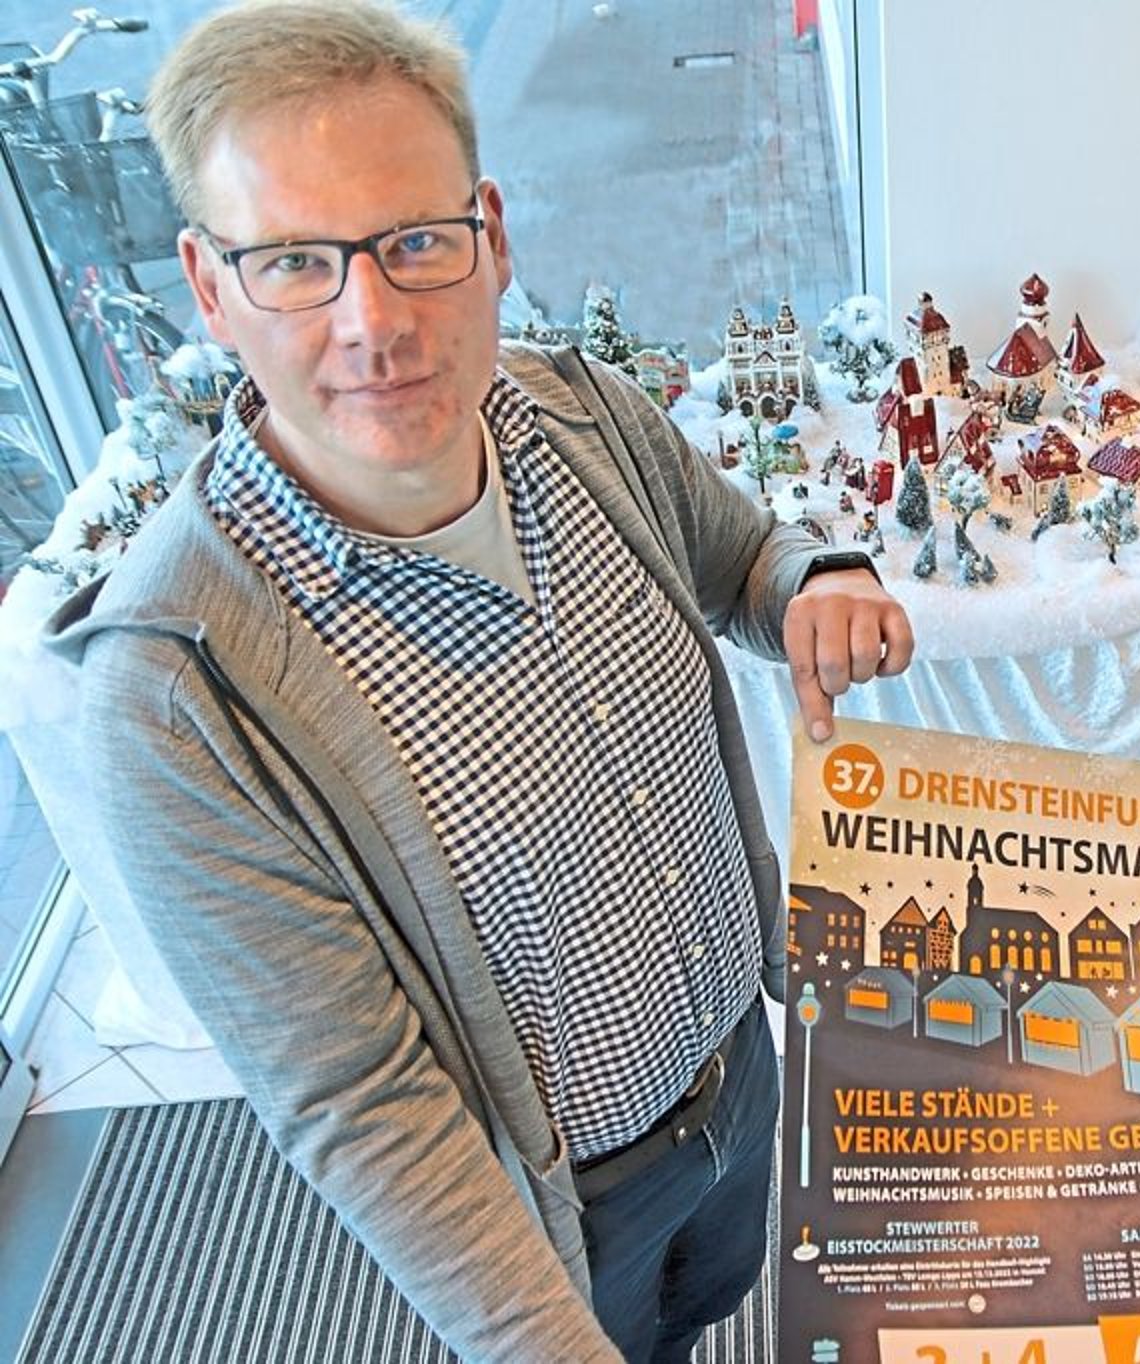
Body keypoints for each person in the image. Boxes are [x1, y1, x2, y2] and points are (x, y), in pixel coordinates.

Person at [47, 2, 913, 1360]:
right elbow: (363, 1102)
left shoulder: (581, 413)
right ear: (210, 288)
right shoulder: (177, 703)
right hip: (561, 1213)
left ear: (491, 237)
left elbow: (744, 557)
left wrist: (817, 583)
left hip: (740, 1073)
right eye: (294, 261)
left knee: (710, 1312)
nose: (372, 322)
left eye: (414, 243)